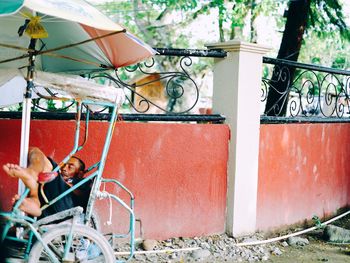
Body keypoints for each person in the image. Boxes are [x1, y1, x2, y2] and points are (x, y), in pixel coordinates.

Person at [2, 147, 91, 218]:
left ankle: (32, 173)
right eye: (63, 165)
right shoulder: (56, 180)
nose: (64, 168)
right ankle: (34, 201)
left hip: (66, 208)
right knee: (39, 180)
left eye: (70, 167)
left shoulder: (82, 181)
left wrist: (66, 183)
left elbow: (83, 195)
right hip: (47, 210)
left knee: (37, 153)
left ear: (80, 173)